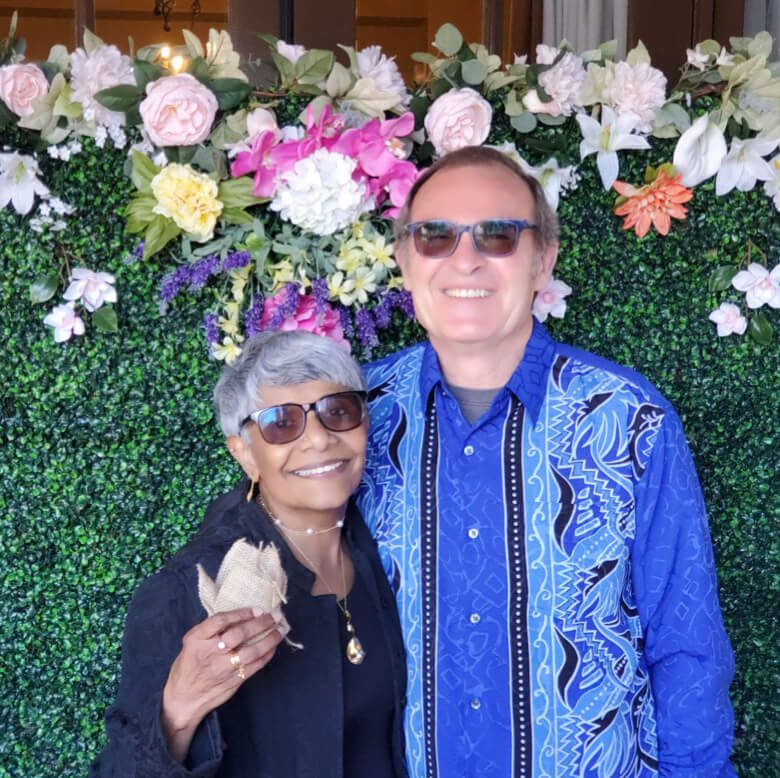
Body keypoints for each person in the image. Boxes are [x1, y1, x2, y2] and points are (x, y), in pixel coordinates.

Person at [356, 146, 735, 777]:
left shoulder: (628, 418)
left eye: (498, 236)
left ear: (543, 259)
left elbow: (687, 643)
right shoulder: (350, 421)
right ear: (404, 261)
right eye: (435, 236)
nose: (466, 258)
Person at [90, 330, 408, 778]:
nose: (318, 439)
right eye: (282, 422)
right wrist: (177, 710)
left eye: (339, 411)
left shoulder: (390, 547)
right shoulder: (184, 592)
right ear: (245, 454)